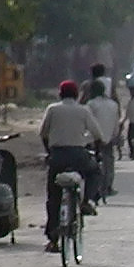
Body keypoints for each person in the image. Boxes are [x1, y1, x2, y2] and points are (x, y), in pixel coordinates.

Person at [39, 81, 102, 250]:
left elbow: (43, 133)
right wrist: (91, 146)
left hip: (57, 157)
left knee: (53, 197)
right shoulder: (83, 110)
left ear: (60, 94)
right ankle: (87, 200)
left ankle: (53, 238)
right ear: (76, 95)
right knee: (95, 171)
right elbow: (97, 134)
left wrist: (49, 151)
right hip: (78, 156)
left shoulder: (52, 109)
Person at [84, 78, 122, 198]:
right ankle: (108, 186)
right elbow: (116, 123)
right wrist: (116, 135)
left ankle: (95, 188)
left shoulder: (91, 104)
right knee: (109, 162)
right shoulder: (113, 104)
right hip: (109, 137)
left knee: (92, 163)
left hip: (94, 139)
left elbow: (88, 124)